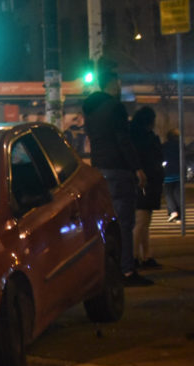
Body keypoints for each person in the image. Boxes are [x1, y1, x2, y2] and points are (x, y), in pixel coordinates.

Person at [82, 64, 152, 286]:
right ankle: (126, 271)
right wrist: (137, 168)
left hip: (100, 169)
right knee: (125, 222)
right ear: (111, 84)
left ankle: (109, 268)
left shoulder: (91, 111)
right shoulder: (115, 108)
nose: (119, 86)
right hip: (119, 170)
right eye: (117, 83)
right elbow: (123, 140)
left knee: (107, 222)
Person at [129, 107, 164, 269]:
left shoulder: (134, 138)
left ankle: (144, 255)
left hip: (143, 181)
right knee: (142, 221)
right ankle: (135, 257)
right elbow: (155, 158)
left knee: (143, 221)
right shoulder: (147, 139)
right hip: (146, 182)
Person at [162, 129, 184, 224]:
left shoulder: (164, 146)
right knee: (178, 194)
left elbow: (161, 156)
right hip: (179, 172)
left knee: (168, 193)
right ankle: (180, 216)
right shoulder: (180, 146)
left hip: (168, 172)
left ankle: (173, 211)